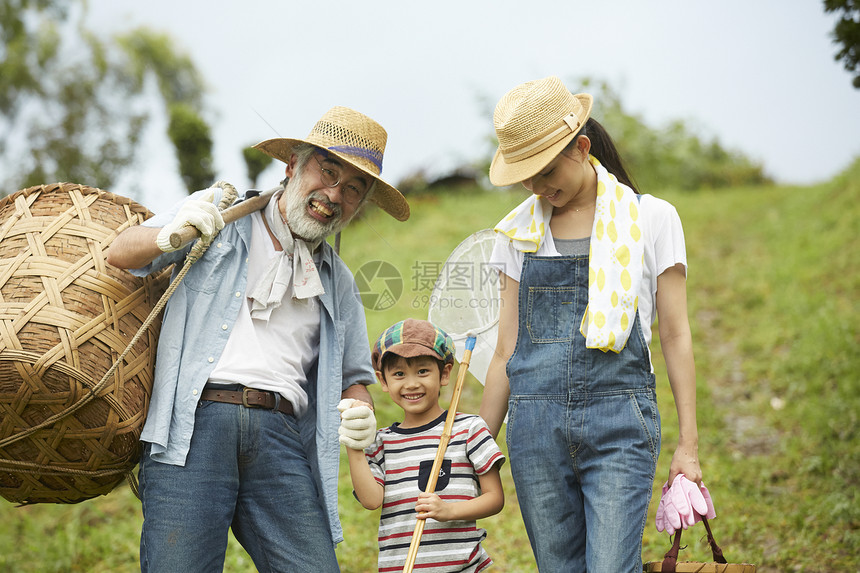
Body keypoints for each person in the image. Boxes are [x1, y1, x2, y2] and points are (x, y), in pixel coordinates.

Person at [106, 106, 410, 572]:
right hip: (193, 427)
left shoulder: (339, 282)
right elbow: (121, 254)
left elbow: (354, 379)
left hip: (281, 440)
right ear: (291, 168)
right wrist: (172, 231)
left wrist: (360, 412)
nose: (333, 195)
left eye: (353, 189)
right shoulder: (218, 219)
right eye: (327, 172)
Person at [478, 76, 703, 572]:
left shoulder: (652, 218)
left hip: (619, 420)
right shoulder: (516, 235)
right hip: (534, 430)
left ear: (581, 147)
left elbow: (675, 334)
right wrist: (475, 446)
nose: (538, 188)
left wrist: (688, 445)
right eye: (527, 178)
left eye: (547, 171)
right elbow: (505, 351)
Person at [340, 318, 505, 572]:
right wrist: (354, 443)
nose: (411, 383)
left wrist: (449, 510)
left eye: (423, 371)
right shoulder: (383, 442)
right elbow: (371, 500)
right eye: (398, 374)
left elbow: (495, 498)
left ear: (446, 373)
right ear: (383, 381)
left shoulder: (469, 429)